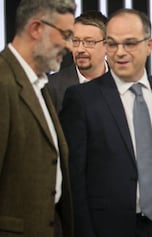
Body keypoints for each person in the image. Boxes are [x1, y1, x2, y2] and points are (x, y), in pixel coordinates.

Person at [59, 8, 152, 237]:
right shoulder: (82, 99)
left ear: (149, 45)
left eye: (130, 43)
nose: (120, 52)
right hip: (109, 227)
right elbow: (74, 181)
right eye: (112, 44)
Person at [0, 0, 76, 236]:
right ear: (36, 29)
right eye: (65, 35)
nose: (70, 46)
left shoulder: (39, 84)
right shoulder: (3, 82)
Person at [47, 10, 108, 113]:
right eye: (75, 41)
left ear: (107, 45)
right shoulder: (52, 87)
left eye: (89, 42)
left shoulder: (122, 82)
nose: (80, 49)